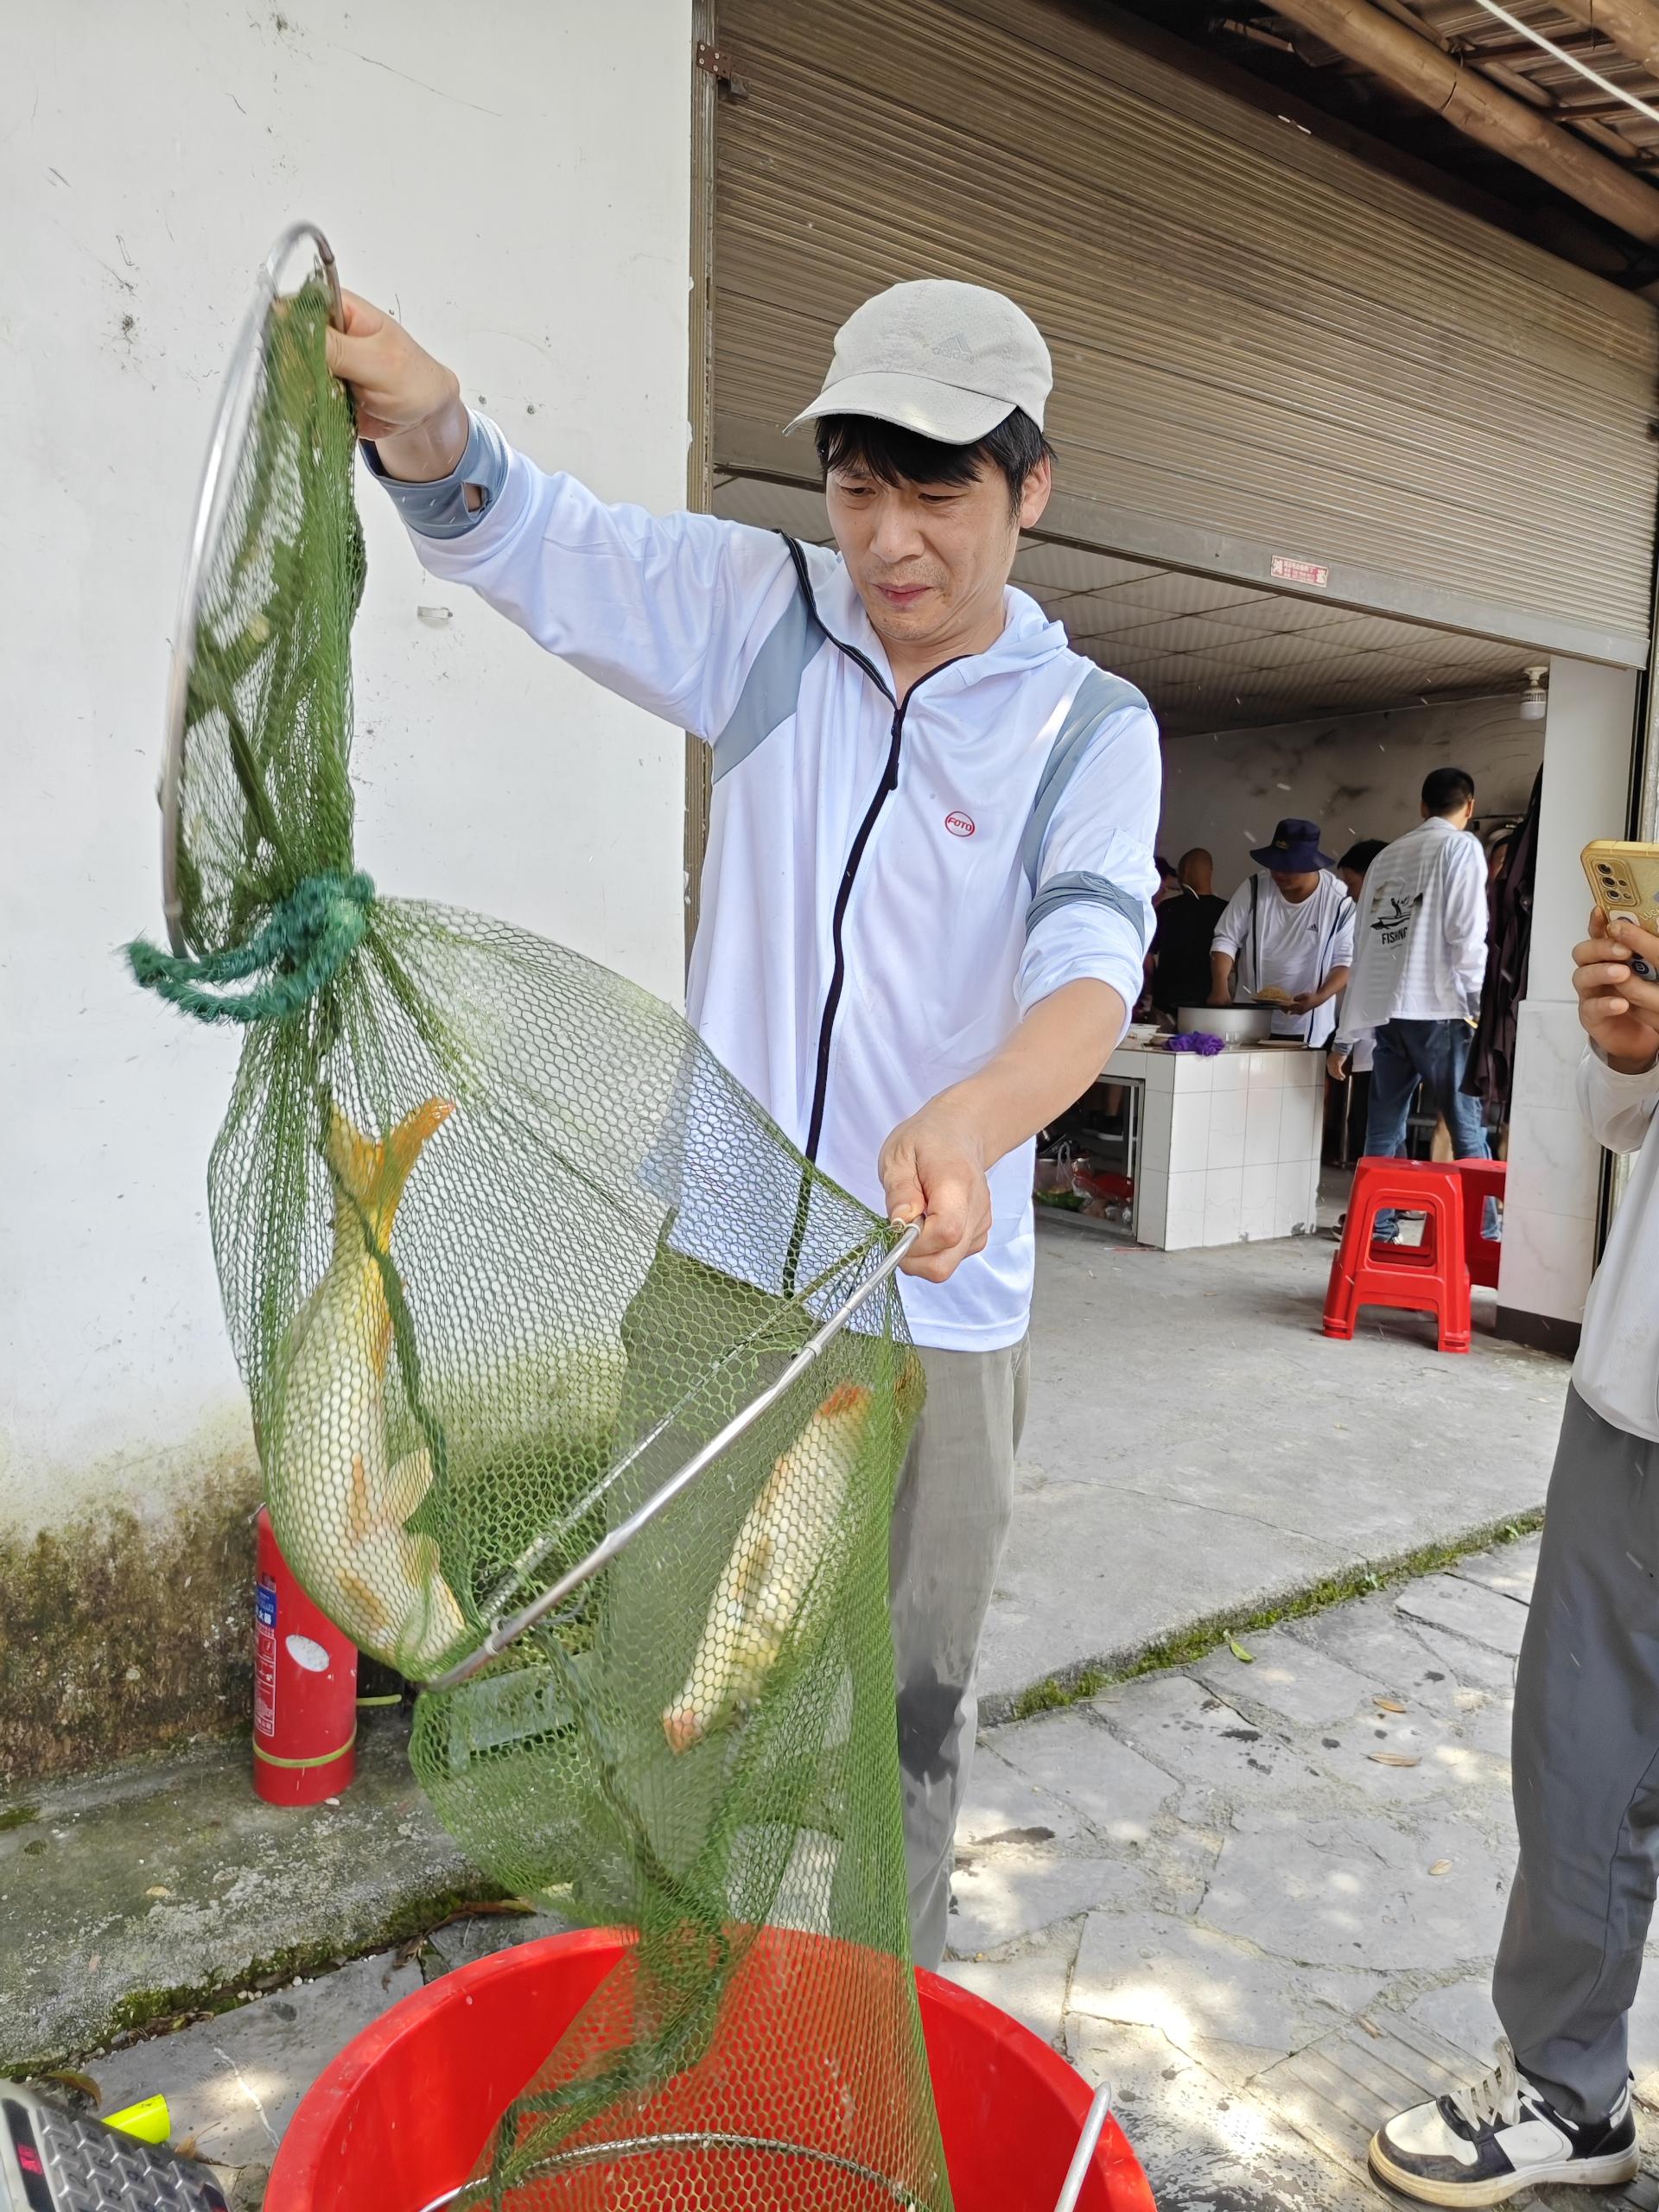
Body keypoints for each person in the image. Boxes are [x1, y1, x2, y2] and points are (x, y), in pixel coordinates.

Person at [323, 276, 1161, 1970]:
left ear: (1034, 487)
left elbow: (1091, 964)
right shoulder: (764, 613)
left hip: (938, 1305)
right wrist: (428, 424)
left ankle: (882, 2002)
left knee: (908, 1699)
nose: (892, 542)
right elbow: (537, 542)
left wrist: (981, 1118)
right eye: (860, 488)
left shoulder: (1090, 728)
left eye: (940, 493)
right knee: (666, 1651)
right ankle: (668, 1958)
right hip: (719, 1267)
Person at [1367, 900, 1659, 2204]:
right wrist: (1637, 1050)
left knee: (1594, 1748)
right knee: (1584, 1756)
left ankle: (1565, 2080)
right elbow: (1625, 1124)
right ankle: (1566, 2081)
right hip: (1639, 1392)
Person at [1330, 768, 1489, 1178]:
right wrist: (1477, 1003)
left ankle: (1378, 1230)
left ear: (1422, 806)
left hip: (1390, 1014)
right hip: (1441, 1010)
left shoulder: (1388, 855)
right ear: (1469, 806)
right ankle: (1483, 1235)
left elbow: (1366, 941)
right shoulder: (1461, 847)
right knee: (1466, 1129)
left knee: (1382, 1132)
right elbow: (1466, 933)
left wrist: (1347, 1035)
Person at [1208, 818, 1354, 1047]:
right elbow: (1226, 939)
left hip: (1309, 1027)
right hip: (1251, 1022)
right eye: (1274, 864)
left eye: (1287, 867)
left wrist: (1320, 997)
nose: (1277, 873)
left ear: (1311, 865)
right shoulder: (1255, 887)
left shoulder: (1339, 901)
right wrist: (1220, 986)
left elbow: (1344, 962)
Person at [1147, 846, 1226, 1020]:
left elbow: (1147, 957)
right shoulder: (1227, 911)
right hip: (1210, 1007)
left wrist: (1150, 990)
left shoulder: (1167, 910)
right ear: (1210, 873)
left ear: (1185, 871)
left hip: (1165, 1005)